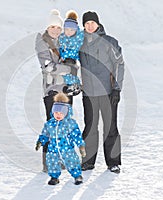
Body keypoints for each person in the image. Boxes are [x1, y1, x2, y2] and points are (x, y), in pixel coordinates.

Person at [79, 11, 125, 173]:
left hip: (107, 92)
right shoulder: (79, 42)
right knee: (90, 127)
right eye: (87, 23)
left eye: (93, 23)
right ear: (83, 25)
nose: (90, 26)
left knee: (110, 127)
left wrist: (116, 89)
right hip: (88, 93)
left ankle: (113, 162)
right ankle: (88, 161)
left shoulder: (109, 42)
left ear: (98, 24)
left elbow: (119, 64)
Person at [35, 9, 73, 172]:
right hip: (52, 90)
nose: (56, 31)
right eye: (53, 27)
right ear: (48, 28)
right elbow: (48, 66)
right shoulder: (42, 42)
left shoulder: (64, 41)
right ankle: (48, 163)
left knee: (63, 126)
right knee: (52, 126)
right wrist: (68, 69)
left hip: (65, 90)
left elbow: (74, 63)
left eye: (58, 28)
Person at [35, 93, 86, 185]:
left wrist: (81, 146)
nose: (58, 115)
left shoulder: (70, 123)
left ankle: (77, 176)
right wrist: (40, 141)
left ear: (66, 113)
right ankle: (54, 177)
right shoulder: (50, 123)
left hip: (67, 149)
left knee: (72, 161)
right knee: (52, 162)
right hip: (53, 148)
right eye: (56, 113)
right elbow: (45, 133)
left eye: (61, 113)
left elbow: (76, 135)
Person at [58, 10, 84, 97]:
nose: (69, 32)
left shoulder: (78, 38)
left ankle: (74, 85)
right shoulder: (62, 38)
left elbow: (80, 50)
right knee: (64, 72)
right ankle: (68, 86)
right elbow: (59, 48)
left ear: (76, 30)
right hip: (63, 60)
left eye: (72, 30)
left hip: (73, 60)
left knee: (72, 71)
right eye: (67, 29)